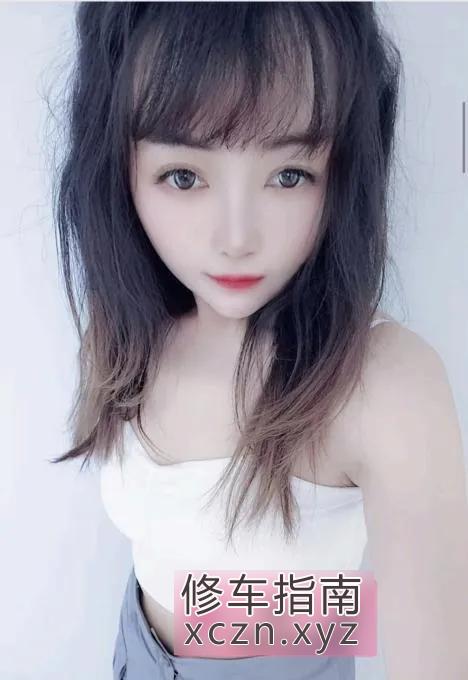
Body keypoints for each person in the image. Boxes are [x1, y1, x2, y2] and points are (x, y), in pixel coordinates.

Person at [48, 3, 468, 679]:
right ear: (119, 170)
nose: (237, 237)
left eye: (289, 174)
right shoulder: (129, 330)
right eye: (184, 177)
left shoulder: (384, 384)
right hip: (132, 650)